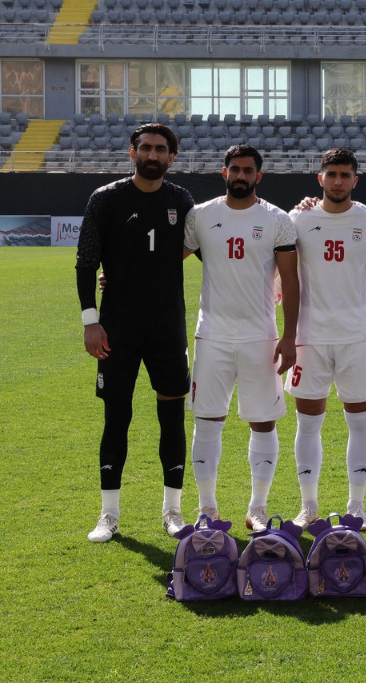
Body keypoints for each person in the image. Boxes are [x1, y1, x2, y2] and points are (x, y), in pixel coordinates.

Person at [77, 123, 195, 543]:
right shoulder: (105, 198)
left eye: (161, 149)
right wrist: (90, 321)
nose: (152, 154)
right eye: (145, 147)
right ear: (132, 152)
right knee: (116, 416)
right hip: (117, 329)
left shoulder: (181, 200)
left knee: (172, 418)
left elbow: (211, 242)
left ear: (171, 157)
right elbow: (86, 262)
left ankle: (173, 511)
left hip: (167, 329)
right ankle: (108, 514)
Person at [183, 144, 299, 532]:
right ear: (224, 172)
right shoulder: (201, 215)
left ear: (258, 176)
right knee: (206, 421)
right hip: (212, 335)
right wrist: (118, 276)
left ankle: (258, 508)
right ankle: (207, 509)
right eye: (235, 169)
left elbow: (291, 280)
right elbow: (165, 261)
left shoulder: (277, 219)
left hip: (260, 337)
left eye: (248, 170)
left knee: (263, 422)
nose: (241, 176)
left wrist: (290, 336)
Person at [286, 148, 366, 531]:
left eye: (345, 175)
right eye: (331, 174)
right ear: (320, 178)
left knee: (360, 423)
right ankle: (308, 506)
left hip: (355, 337)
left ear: (355, 180)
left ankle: (356, 507)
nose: (338, 181)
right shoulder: (298, 218)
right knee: (307, 424)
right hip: (309, 337)